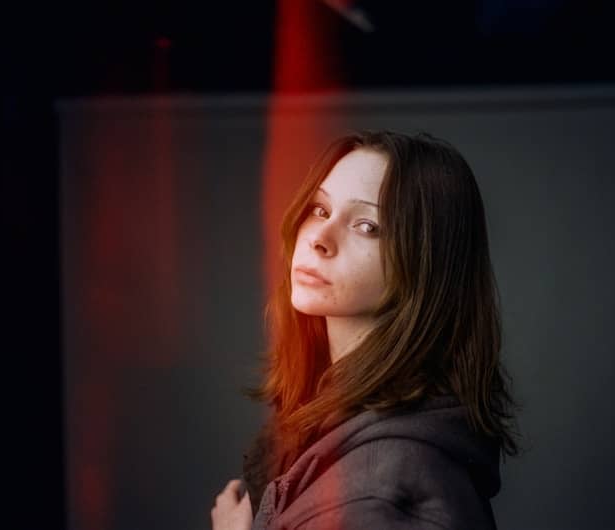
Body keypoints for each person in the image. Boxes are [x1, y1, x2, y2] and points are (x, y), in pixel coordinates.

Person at [210, 130, 521, 530]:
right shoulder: (337, 427)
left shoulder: (379, 494)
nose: (319, 238)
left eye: (366, 226)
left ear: (425, 266)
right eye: (320, 210)